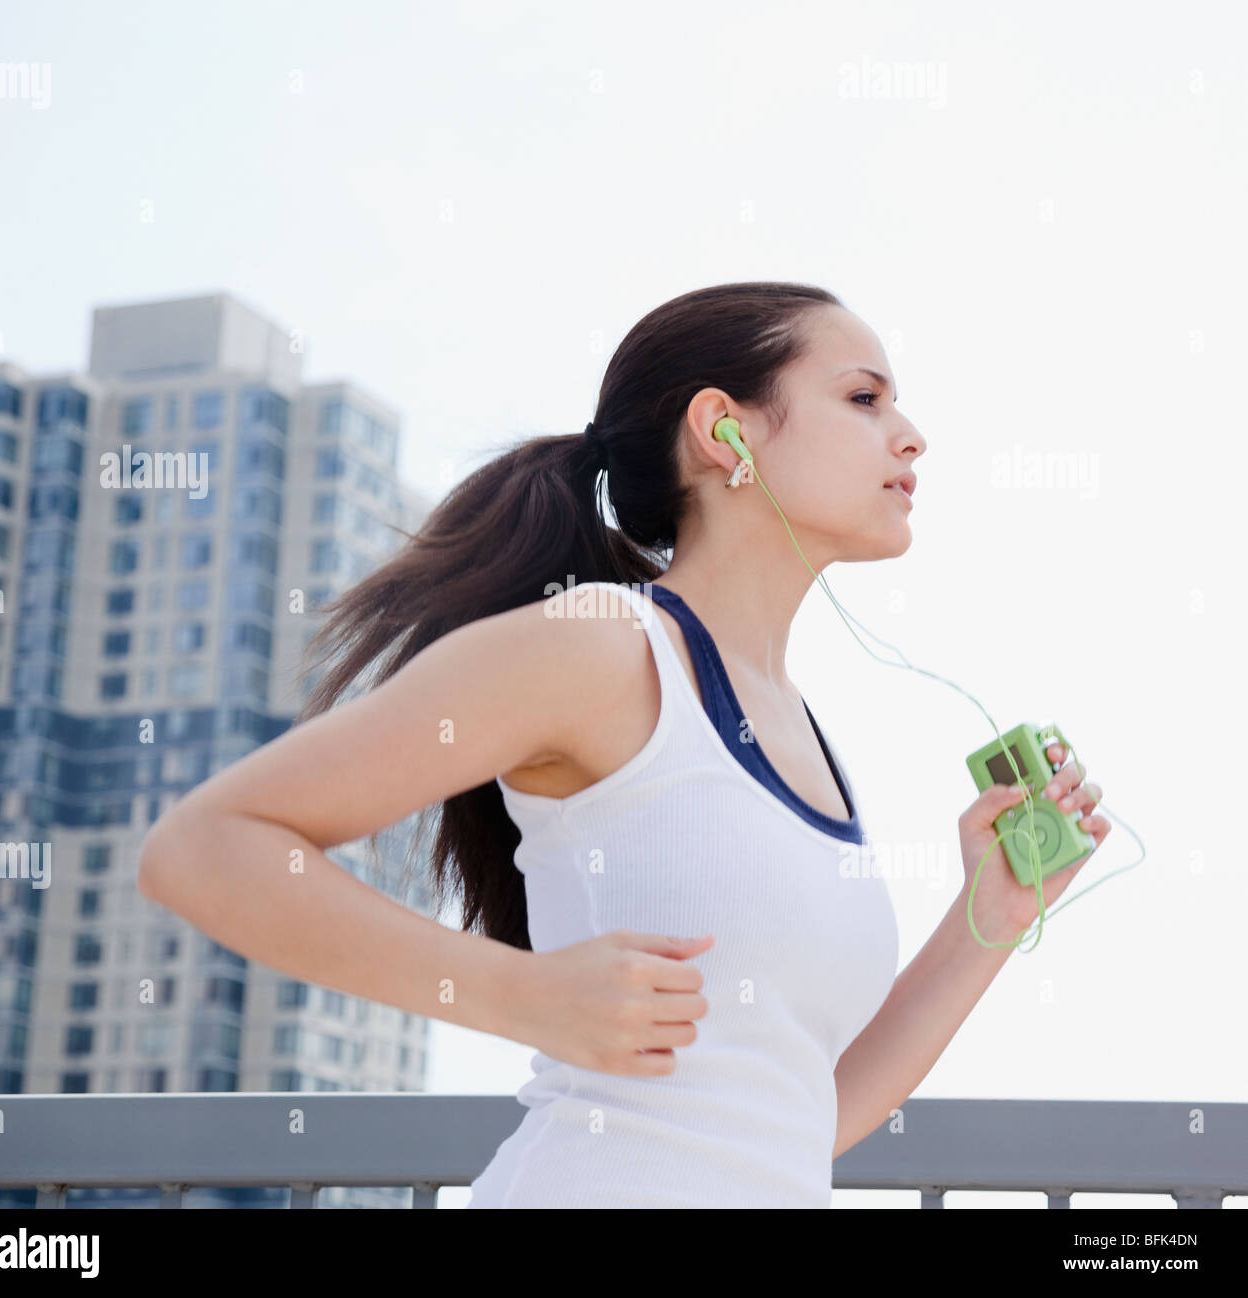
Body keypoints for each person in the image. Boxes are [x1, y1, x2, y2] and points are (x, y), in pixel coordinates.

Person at [138, 281, 1109, 1208]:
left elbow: (803, 1116)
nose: (911, 433)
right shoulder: (601, 647)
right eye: (862, 396)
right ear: (721, 427)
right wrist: (524, 995)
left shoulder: (808, 736)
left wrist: (991, 909)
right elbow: (204, 844)